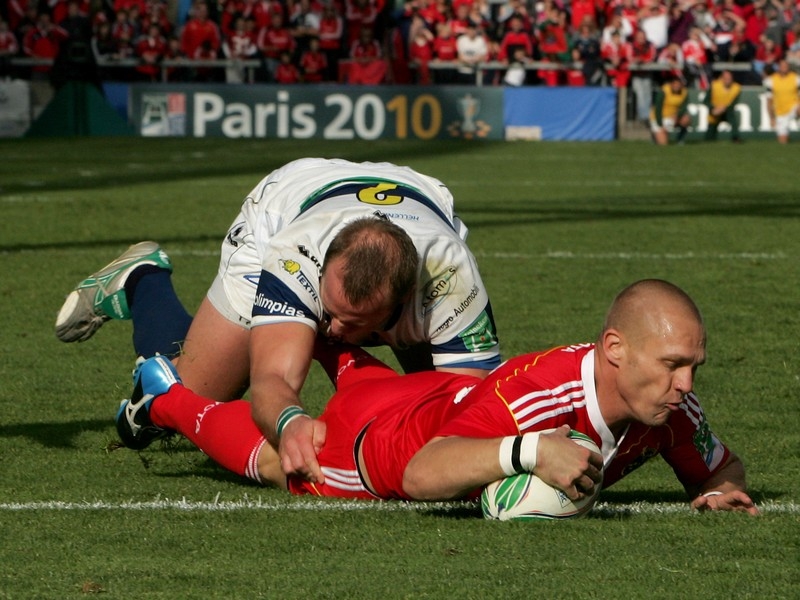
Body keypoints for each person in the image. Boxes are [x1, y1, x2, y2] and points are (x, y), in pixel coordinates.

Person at [116, 279, 759, 516]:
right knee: (279, 459)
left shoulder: (672, 411)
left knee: (333, 346)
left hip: (437, 394)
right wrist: (529, 454)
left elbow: (720, 462)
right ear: (615, 349)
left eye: (693, 367)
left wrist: (719, 487)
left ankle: (158, 293)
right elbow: (424, 472)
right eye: (674, 366)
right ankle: (163, 395)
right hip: (374, 448)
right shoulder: (537, 395)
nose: (688, 386)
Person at [56, 158, 501, 483]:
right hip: (288, 202)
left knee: (444, 414)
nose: (334, 330)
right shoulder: (295, 256)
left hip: (416, 197)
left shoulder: (448, 278)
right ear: (322, 272)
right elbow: (271, 377)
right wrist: (289, 422)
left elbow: (474, 405)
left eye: (355, 323)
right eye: (329, 313)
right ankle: (144, 279)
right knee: (193, 397)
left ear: (403, 302)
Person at [764, 58, 799, 143]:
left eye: (786, 66)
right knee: (782, 140)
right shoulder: (771, 80)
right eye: (782, 66)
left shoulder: (796, 78)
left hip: (794, 107)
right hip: (780, 111)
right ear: (778, 67)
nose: (784, 68)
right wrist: (771, 118)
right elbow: (769, 101)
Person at [650, 76, 691, 145]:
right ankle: (655, 136)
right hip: (659, 118)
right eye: (675, 84)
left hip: (672, 117)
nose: (676, 86)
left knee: (686, 119)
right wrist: (660, 124)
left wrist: (677, 115)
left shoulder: (684, 92)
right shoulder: (664, 91)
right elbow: (658, 109)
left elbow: (684, 106)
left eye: (678, 84)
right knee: (663, 144)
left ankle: (680, 140)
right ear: (671, 84)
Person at [704, 69, 741, 142]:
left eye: (729, 78)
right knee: (710, 131)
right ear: (721, 78)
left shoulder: (736, 87)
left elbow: (734, 103)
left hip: (727, 110)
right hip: (715, 110)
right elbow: (706, 100)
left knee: (733, 120)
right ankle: (709, 140)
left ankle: (735, 137)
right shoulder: (714, 85)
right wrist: (713, 109)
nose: (728, 80)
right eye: (726, 78)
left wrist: (724, 108)